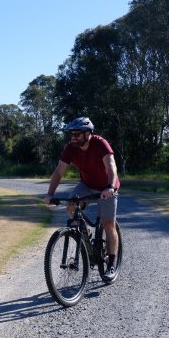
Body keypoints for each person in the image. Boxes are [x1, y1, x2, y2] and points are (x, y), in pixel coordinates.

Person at [43, 117, 121, 275]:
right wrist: (50, 194)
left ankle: (111, 263)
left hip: (107, 187)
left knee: (108, 224)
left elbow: (111, 165)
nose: (73, 137)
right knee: (71, 205)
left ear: (87, 134)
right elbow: (59, 171)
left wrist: (110, 187)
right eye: (72, 134)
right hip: (86, 185)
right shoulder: (71, 148)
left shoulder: (100, 144)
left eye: (77, 134)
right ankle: (85, 236)